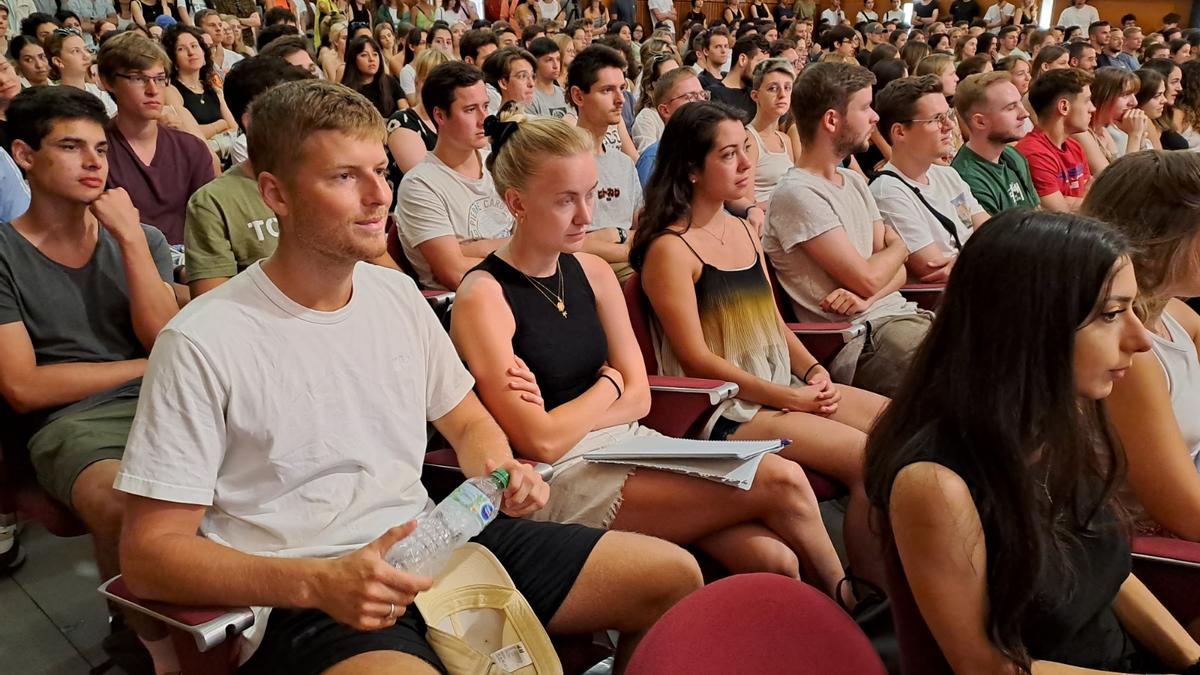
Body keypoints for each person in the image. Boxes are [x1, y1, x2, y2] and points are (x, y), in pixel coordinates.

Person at [116, 78, 703, 675]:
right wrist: (316, 583)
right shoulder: (202, 340)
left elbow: (469, 419)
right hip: (310, 591)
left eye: (380, 170)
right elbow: (148, 556)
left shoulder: (394, 294)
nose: (379, 196)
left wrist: (498, 468)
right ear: (277, 194)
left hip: (430, 542)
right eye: (345, 177)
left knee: (672, 578)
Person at [449, 111, 851, 601]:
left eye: (591, 194)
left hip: (633, 442)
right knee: (783, 480)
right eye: (565, 201)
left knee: (774, 559)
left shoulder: (594, 272)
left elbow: (641, 399)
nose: (586, 216)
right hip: (559, 478)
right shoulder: (485, 294)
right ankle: (851, 607)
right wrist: (608, 386)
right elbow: (542, 440)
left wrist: (597, 403)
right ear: (517, 203)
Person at [865, 206, 1200, 674]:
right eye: (1111, 315)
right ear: (1030, 325)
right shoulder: (936, 485)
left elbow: (1111, 576)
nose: (1141, 340)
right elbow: (985, 666)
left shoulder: (1056, 421)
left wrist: (1190, 659)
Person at [632, 99, 891, 597]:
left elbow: (772, 322)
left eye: (745, 149)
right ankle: (863, 596)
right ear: (690, 170)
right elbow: (697, 360)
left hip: (778, 384)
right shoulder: (670, 249)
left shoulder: (740, 228)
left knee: (899, 427)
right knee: (867, 459)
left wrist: (815, 372)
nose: (747, 165)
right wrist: (792, 398)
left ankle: (889, 578)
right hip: (727, 408)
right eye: (729, 155)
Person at [0, 85, 179, 672]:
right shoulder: (4, 253)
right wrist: (144, 368)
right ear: (25, 155)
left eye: (101, 148)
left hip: (161, 398)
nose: (94, 162)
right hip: (69, 422)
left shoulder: (140, 238)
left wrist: (129, 237)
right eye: (72, 147)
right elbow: (23, 387)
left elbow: (163, 342)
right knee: (125, 506)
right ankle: (151, 648)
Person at [764, 62, 931, 397]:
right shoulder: (797, 193)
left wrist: (874, 283)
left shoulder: (854, 180)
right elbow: (871, 276)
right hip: (863, 340)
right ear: (831, 120)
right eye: (865, 107)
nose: (875, 118)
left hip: (900, 317)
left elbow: (895, 274)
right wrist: (898, 249)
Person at [1083, 152, 1200, 544]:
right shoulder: (1130, 357)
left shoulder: (1179, 318)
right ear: (1160, 240)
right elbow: (1188, 514)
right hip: (1162, 556)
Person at [184, 57, 315, 299]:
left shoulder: (327, 180)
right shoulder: (213, 202)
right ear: (254, 121)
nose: (313, 120)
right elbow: (212, 305)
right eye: (298, 109)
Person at [396, 63, 514, 290]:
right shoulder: (420, 184)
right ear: (440, 115)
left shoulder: (496, 162)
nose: (484, 119)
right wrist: (520, 252)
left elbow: (535, 239)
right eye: (470, 110)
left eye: (485, 106)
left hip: (516, 286)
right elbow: (454, 273)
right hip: (467, 303)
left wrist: (472, 249)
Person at [100, 32, 216, 251]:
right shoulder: (96, 152)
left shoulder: (191, 148)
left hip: (193, 263)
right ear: (107, 82)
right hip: (125, 263)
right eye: (138, 78)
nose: (153, 90)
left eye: (160, 79)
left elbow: (210, 226)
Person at [871, 75, 987, 286]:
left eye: (948, 115)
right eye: (936, 119)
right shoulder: (888, 192)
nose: (950, 125)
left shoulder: (947, 175)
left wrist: (967, 259)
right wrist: (987, 254)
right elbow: (933, 268)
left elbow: (992, 232)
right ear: (900, 132)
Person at [567, 44, 639, 283]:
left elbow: (641, 228)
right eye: (607, 90)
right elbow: (569, 243)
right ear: (578, 96)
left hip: (627, 262)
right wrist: (631, 248)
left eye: (622, 89)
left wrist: (613, 235)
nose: (620, 100)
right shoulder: (562, 162)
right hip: (584, 270)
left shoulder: (624, 164)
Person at [1016, 68, 1093, 213]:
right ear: (1064, 107)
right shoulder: (1033, 153)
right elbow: (1059, 212)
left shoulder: (1075, 146)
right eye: (1087, 101)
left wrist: (1073, 201)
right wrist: (1083, 202)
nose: (1093, 108)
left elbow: (1090, 194)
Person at [386, 47, 449, 196]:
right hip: (413, 205)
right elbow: (423, 179)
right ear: (417, 81)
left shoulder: (452, 120)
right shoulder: (402, 121)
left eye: (446, 83)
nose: (439, 88)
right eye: (430, 80)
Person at [163, 25, 238, 141]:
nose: (191, 52)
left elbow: (233, 127)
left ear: (203, 53)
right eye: (181, 49)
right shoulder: (170, 90)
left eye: (194, 46)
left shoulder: (212, 87)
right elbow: (188, 134)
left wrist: (209, 132)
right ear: (172, 58)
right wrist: (219, 125)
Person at [634, 66, 705, 185]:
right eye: (690, 96)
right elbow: (651, 203)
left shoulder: (710, 148)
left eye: (703, 95)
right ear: (665, 110)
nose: (702, 101)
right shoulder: (654, 159)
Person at [1074, 67, 1146, 177]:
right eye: (1125, 95)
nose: (1134, 102)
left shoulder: (1103, 130)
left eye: (1134, 95)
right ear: (1103, 97)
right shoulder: (1081, 133)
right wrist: (1134, 136)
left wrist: (1140, 136)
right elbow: (1113, 182)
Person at [745, 58, 794, 208]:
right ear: (755, 95)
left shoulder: (785, 139)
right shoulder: (748, 139)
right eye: (773, 88)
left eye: (787, 88)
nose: (782, 95)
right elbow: (746, 202)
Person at [44, 28, 117, 116]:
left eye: (86, 49)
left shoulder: (100, 92)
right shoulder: (52, 100)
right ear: (58, 61)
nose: (86, 56)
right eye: (76, 51)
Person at [342, 35, 406, 118]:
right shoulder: (346, 91)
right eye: (364, 55)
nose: (371, 59)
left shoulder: (390, 82)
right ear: (353, 59)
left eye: (375, 54)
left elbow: (404, 111)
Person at [706, 35, 767, 122]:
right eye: (760, 63)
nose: (764, 71)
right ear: (742, 59)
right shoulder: (715, 95)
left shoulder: (756, 94)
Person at [483, 46, 537, 115]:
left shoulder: (537, 122)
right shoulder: (492, 123)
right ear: (503, 83)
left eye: (532, 76)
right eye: (522, 76)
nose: (531, 84)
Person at [527, 36, 571, 117]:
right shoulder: (529, 96)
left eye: (558, 59)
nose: (556, 65)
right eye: (549, 60)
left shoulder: (564, 94)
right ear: (534, 62)